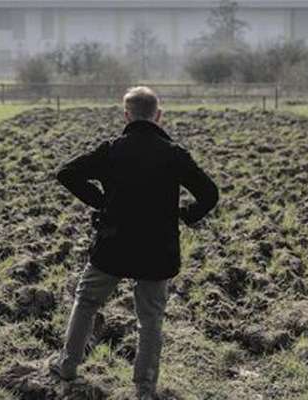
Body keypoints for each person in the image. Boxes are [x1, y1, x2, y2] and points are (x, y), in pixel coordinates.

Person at [53, 86, 219, 399]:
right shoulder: (174, 154)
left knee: (86, 302)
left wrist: (100, 201)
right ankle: (144, 388)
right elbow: (210, 193)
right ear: (158, 115)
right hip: (158, 250)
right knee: (151, 319)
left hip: (112, 246)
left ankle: (67, 367)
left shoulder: (112, 149)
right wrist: (186, 214)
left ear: (127, 114)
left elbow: (66, 173)